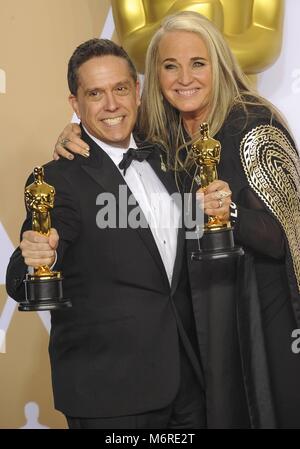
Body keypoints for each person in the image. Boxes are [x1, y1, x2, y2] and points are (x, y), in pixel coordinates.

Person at [53, 12, 300, 429]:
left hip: (257, 317)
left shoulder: (255, 123)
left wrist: (231, 215)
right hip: (195, 330)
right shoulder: (159, 131)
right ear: (154, 76)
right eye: (170, 66)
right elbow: (110, 136)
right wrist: (73, 134)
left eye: (197, 63)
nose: (184, 77)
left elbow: (287, 239)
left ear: (218, 64)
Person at [6, 38, 206, 429]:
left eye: (120, 89)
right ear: (75, 104)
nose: (111, 105)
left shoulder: (167, 157)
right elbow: (24, 272)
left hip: (188, 385)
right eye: (95, 93)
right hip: (112, 396)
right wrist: (33, 257)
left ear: (137, 91)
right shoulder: (58, 181)